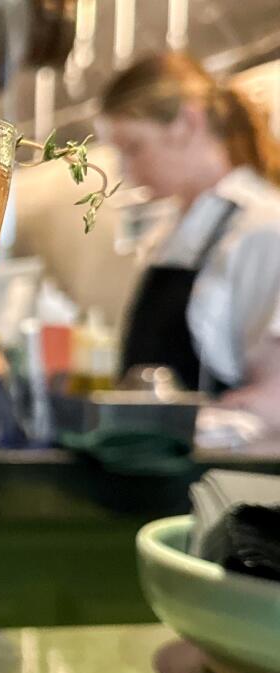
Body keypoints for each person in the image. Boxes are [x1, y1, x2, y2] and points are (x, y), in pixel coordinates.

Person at [100, 53, 280, 420]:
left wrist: (188, 430)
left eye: (133, 148)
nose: (126, 171)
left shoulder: (263, 228)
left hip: (219, 473)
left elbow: (274, 399)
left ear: (187, 122)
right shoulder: (169, 233)